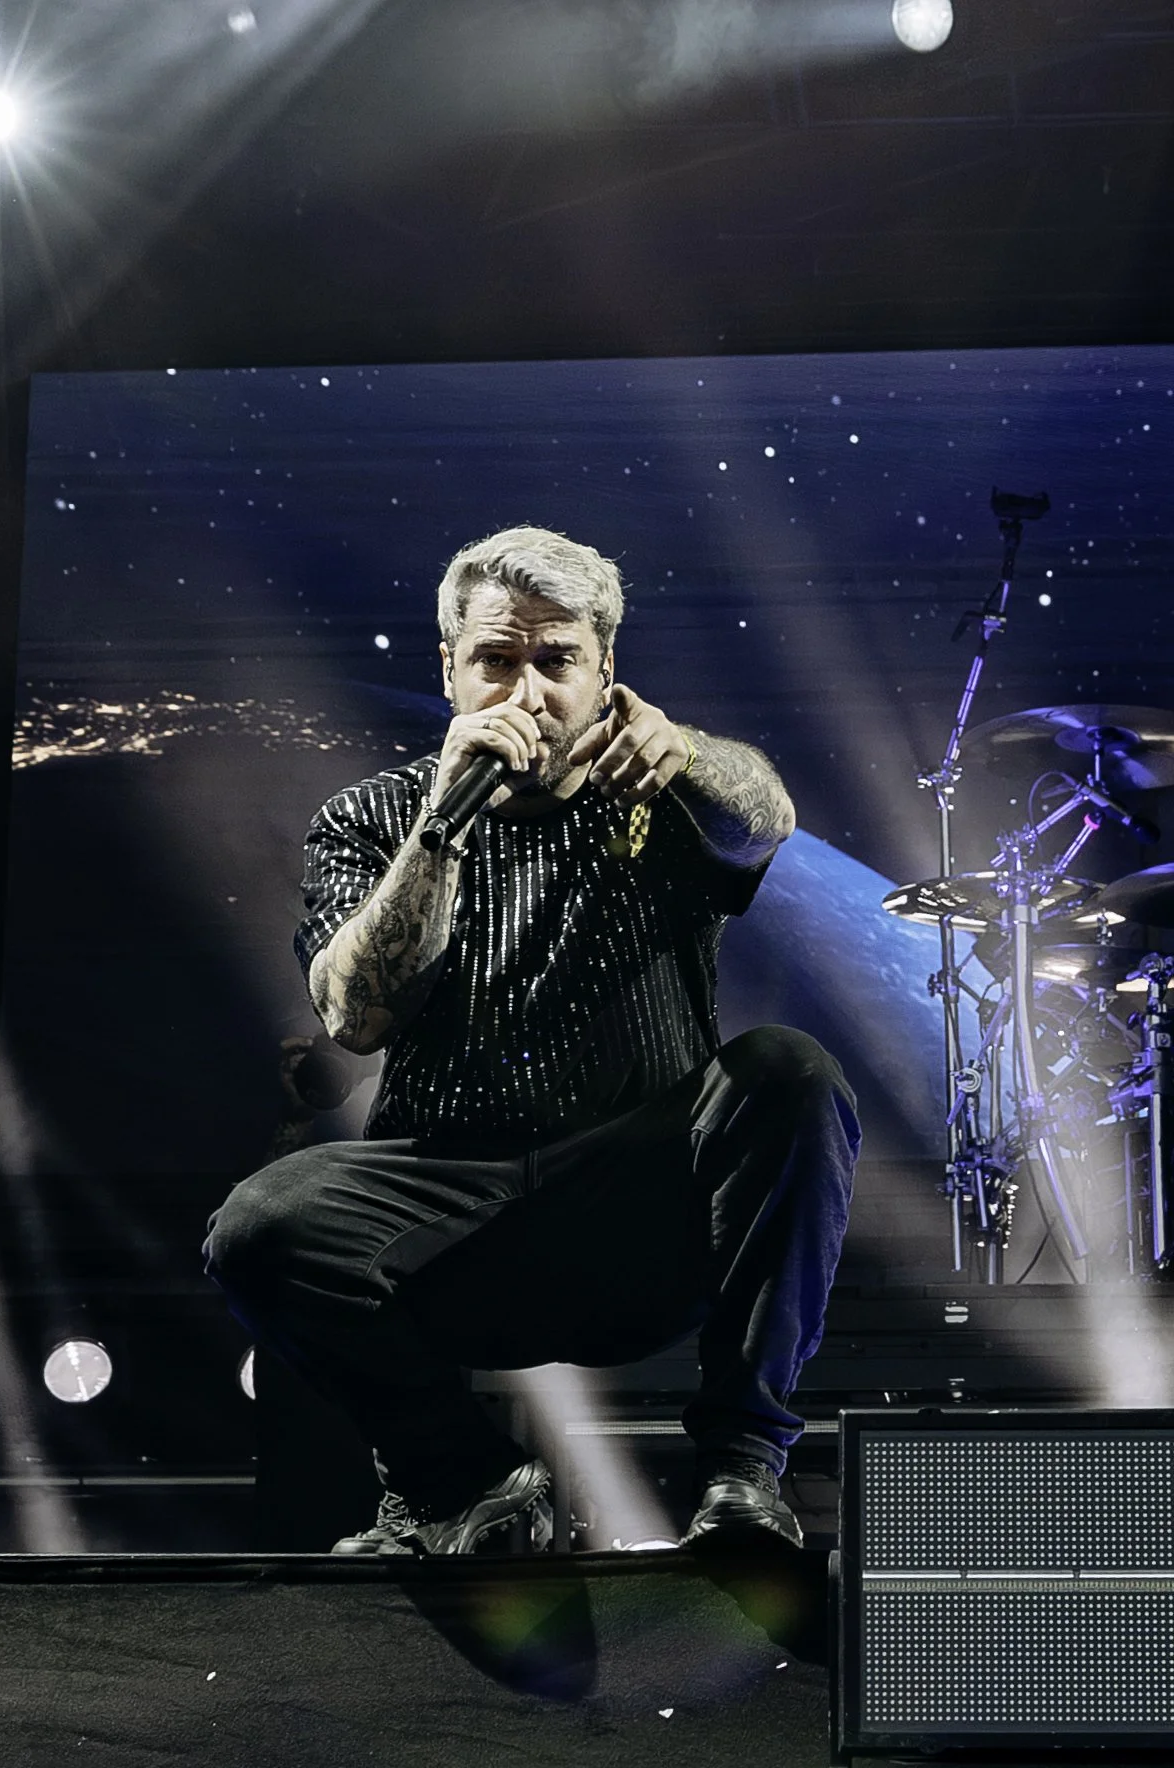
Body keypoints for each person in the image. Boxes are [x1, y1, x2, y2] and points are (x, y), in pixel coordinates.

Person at [205, 525, 859, 1556]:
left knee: (791, 1072)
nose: (528, 691)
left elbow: (764, 819)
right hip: (449, 1209)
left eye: (557, 661)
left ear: (604, 671)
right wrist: (441, 823)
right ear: (450, 670)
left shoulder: (666, 794)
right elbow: (356, 1018)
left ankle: (742, 1476)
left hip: (639, 1210)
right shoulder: (373, 816)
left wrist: (690, 754)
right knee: (257, 1225)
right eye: (497, 660)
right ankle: (457, 1486)